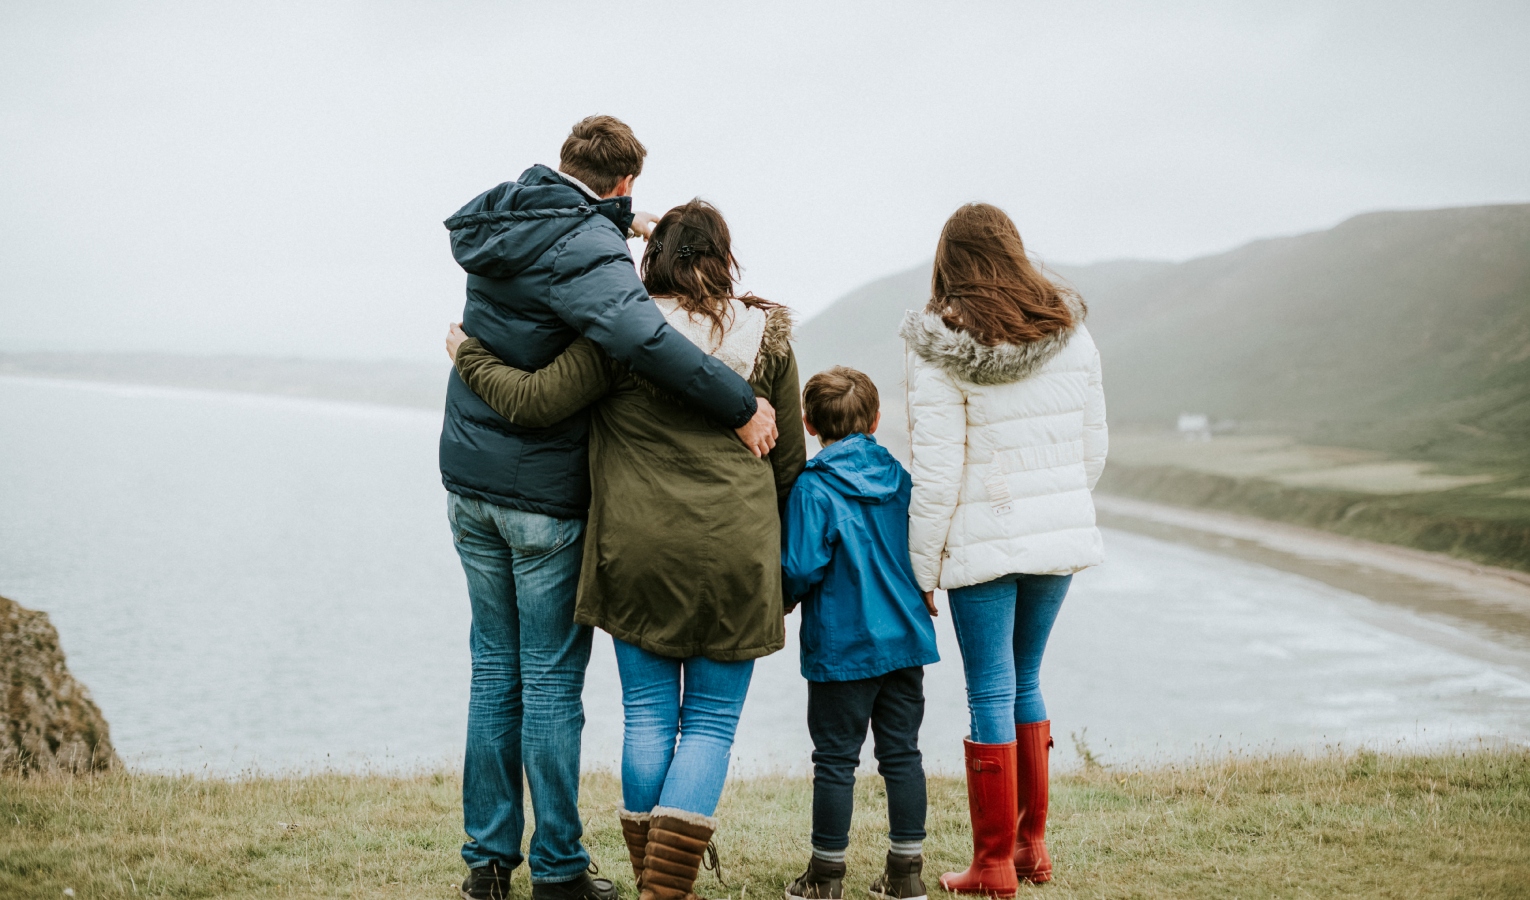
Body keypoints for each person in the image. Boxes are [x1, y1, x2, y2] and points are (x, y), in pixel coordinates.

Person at [440, 117, 780, 900]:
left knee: (493, 669)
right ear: (624, 182)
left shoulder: (509, 213)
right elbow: (643, 336)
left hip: (469, 479)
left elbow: (563, 240)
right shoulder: (589, 249)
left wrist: (621, 224)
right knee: (551, 682)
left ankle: (487, 864)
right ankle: (557, 869)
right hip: (541, 497)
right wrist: (739, 405)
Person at [901, 203, 1107, 894]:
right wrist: (1059, 509)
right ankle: (1030, 850)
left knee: (989, 685)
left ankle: (992, 864)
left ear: (949, 264)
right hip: (1056, 537)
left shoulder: (937, 347)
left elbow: (936, 473)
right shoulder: (1073, 337)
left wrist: (921, 566)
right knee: (1026, 679)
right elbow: (1092, 449)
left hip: (980, 540)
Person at [780, 367, 941, 900]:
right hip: (904, 641)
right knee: (902, 755)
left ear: (807, 424)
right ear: (876, 419)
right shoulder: (900, 478)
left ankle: (825, 878)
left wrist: (774, 604)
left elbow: (800, 567)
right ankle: (906, 874)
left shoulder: (813, 488)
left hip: (843, 646)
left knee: (835, 761)